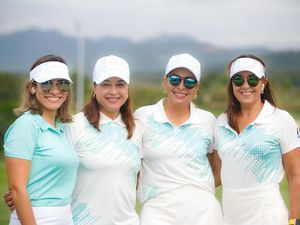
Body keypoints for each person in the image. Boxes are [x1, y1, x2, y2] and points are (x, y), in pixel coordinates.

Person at [135, 53, 224, 225]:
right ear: (165, 82)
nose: (181, 86)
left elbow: (217, 172)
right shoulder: (142, 117)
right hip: (156, 214)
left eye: (189, 82)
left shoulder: (208, 121)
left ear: (197, 88)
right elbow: (133, 169)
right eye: (175, 79)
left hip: (204, 214)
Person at [213, 55, 300, 225]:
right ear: (232, 85)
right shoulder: (221, 123)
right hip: (229, 218)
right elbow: (217, 174)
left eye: (252, 79)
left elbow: (295, 175)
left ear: (263, 83)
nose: (245, 85)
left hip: (269, 217)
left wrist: (295, 220)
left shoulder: (280, 119)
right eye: (238, 79)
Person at [64, 55, 142, 225]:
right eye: (106, 84)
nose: (113, 91)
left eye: (120, 84)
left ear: (128, 89)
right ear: (94, 88)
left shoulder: (138, 128)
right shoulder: (74, 126)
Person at [3, 55, 79, 225]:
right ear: (32, 87)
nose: (55, 90)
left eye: (62, 83)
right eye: (46, 84)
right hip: (35, 219)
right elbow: (16, 189)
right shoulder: (26, 125)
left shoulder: (62, 127)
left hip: (64, 216)